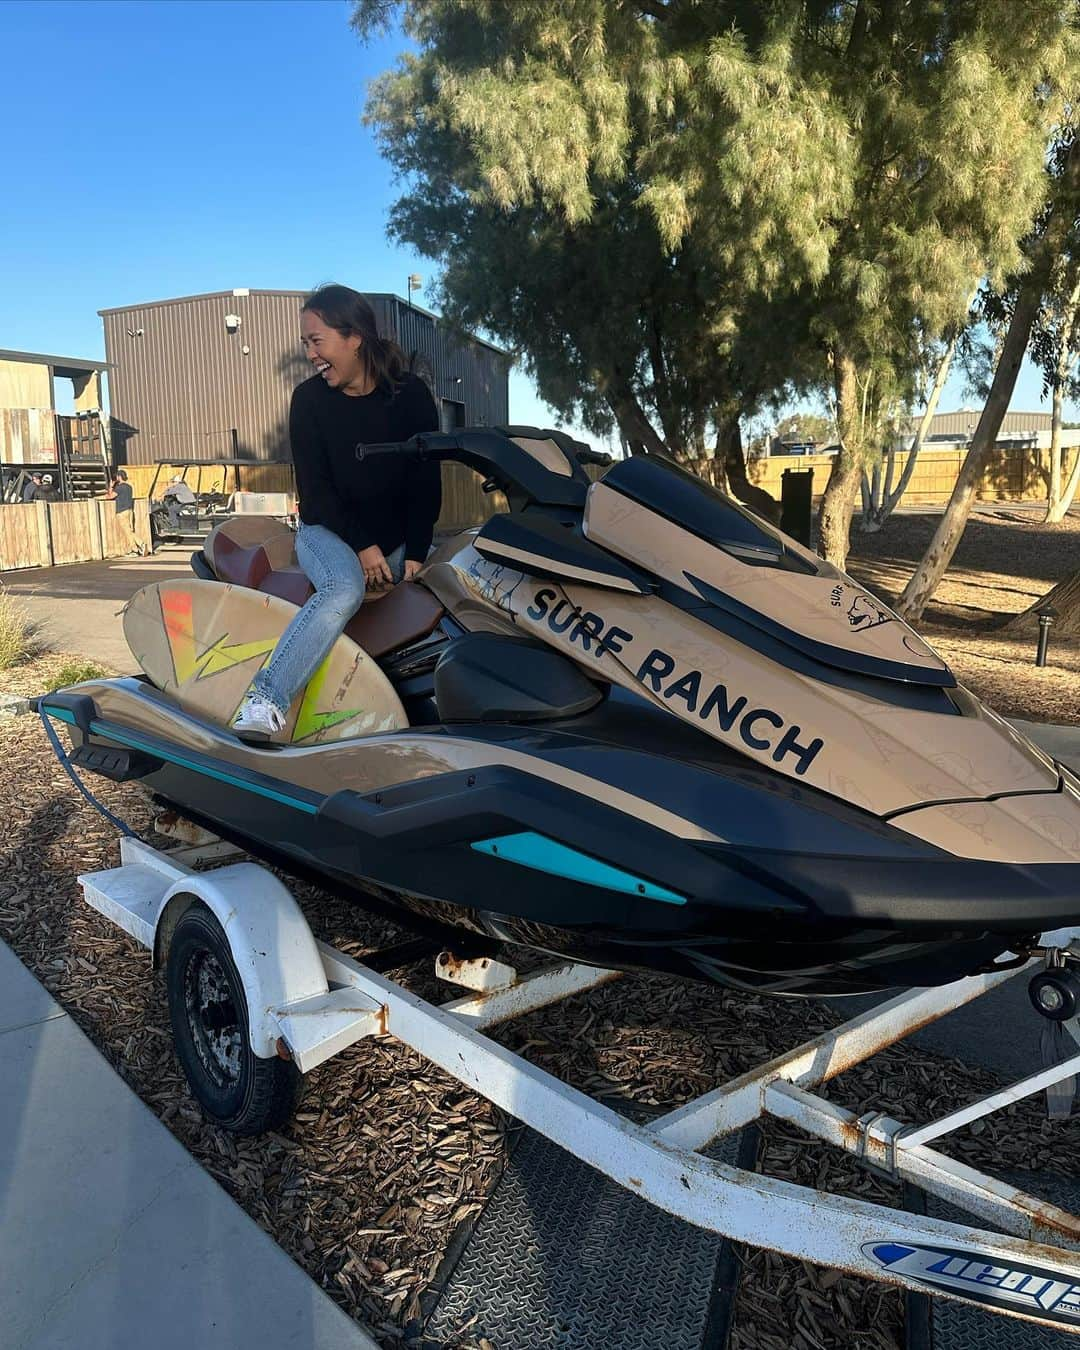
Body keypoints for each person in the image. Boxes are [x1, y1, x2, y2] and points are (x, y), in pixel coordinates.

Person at [233, 283, 440, 739]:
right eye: (305, 343)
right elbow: (315, 490)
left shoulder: (411, 397)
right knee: (344, 588)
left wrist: (417, 550)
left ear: (354, 337)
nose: (310, 353)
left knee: (426, 587)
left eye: (316, 340)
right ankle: (264, 700)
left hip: (393, 535)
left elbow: (426, 480)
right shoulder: (309, 400)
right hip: (326, 530)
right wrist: (363, 546)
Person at [105, 469, 148, 556]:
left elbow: (109, 497)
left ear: (119, 477)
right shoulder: (129, 487)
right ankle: (135, 549)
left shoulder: (119, 488)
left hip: (122, 511)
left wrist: (111, 487)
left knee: (127, 532)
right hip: (130, 510)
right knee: (130, 530)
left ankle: (140, 544)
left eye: (117, 476)